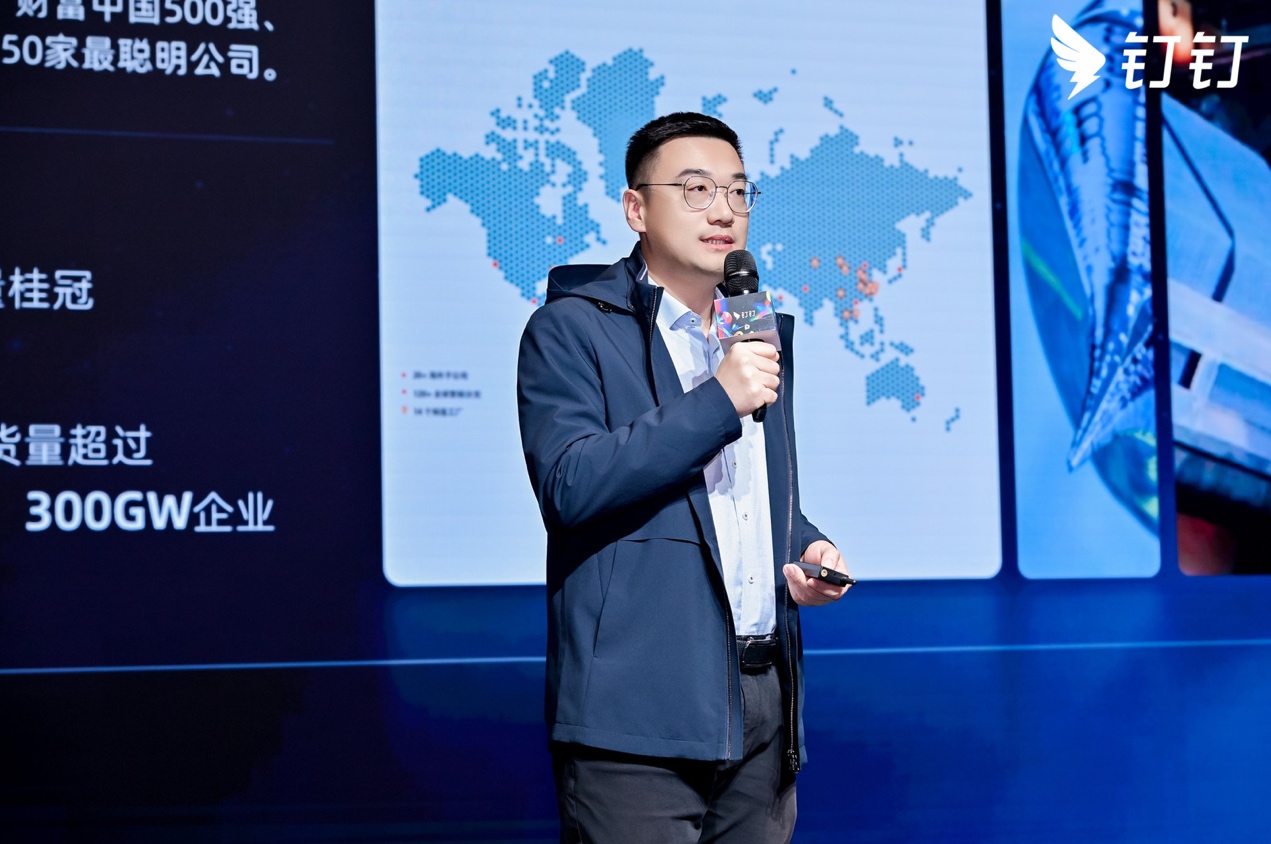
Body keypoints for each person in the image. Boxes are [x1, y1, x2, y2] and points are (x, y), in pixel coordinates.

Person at [517, 111, 850, 843]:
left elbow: (742, 495)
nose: (724, 211)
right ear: (636, 209)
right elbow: (570, 484)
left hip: (762, 707)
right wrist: (718, 400)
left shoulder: (756, 329)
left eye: (738, 191)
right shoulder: (571, 329)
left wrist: (804, 547)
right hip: (635, 716)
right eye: (696, 189)